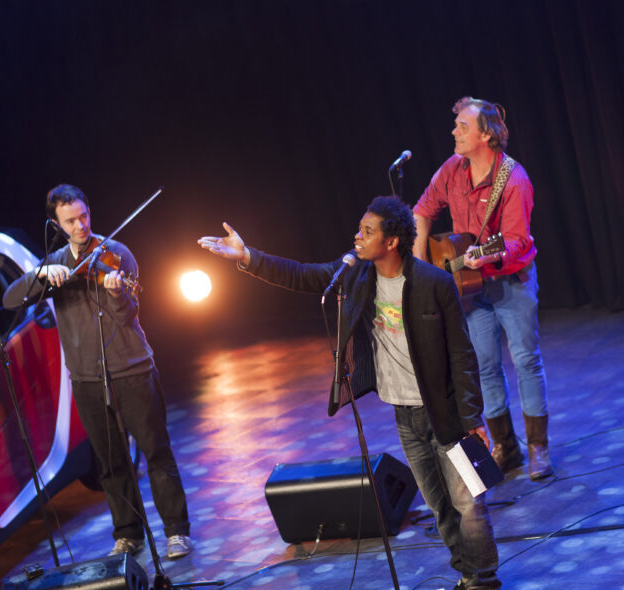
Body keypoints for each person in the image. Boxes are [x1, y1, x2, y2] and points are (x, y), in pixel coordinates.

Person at [198, 196, 501, 590]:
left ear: (391, 241)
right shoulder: (356, 276)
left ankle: (484, 579)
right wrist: (247, 257)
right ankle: (466, 573)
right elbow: (302, 275)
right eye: (360, 229)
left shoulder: (434, 283)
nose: (357, 237)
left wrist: (473, 417)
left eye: (367, 231)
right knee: (439, 506)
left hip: (446, 413)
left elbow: (462, 354)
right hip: (405, 415)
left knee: (468, 503)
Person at [3, 184, 192, 559]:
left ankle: (176, 532)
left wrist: (117, 292)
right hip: (87, 378)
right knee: (110, 462)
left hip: (132, 369)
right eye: (70, 221)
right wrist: (40, 274)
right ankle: (128, 534)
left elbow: (129, 314)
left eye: (84, 216)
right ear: (56, 225)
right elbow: (10, 300)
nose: (80, 226)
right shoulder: (55, 264)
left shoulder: (116, 253)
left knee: (156, 452)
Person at [412, 96, 552, 481]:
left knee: (525, 360)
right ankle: (505, 447)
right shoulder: (452, 170)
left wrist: (487, 255)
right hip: (470, 289)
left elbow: (517, 240)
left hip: (510, 281)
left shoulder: (514, 179)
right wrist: (421, 265)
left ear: (486, 135)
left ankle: (538, 447)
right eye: (456, 125)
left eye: (463, 127)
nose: (453, 132)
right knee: (484, 366)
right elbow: (421, 211)